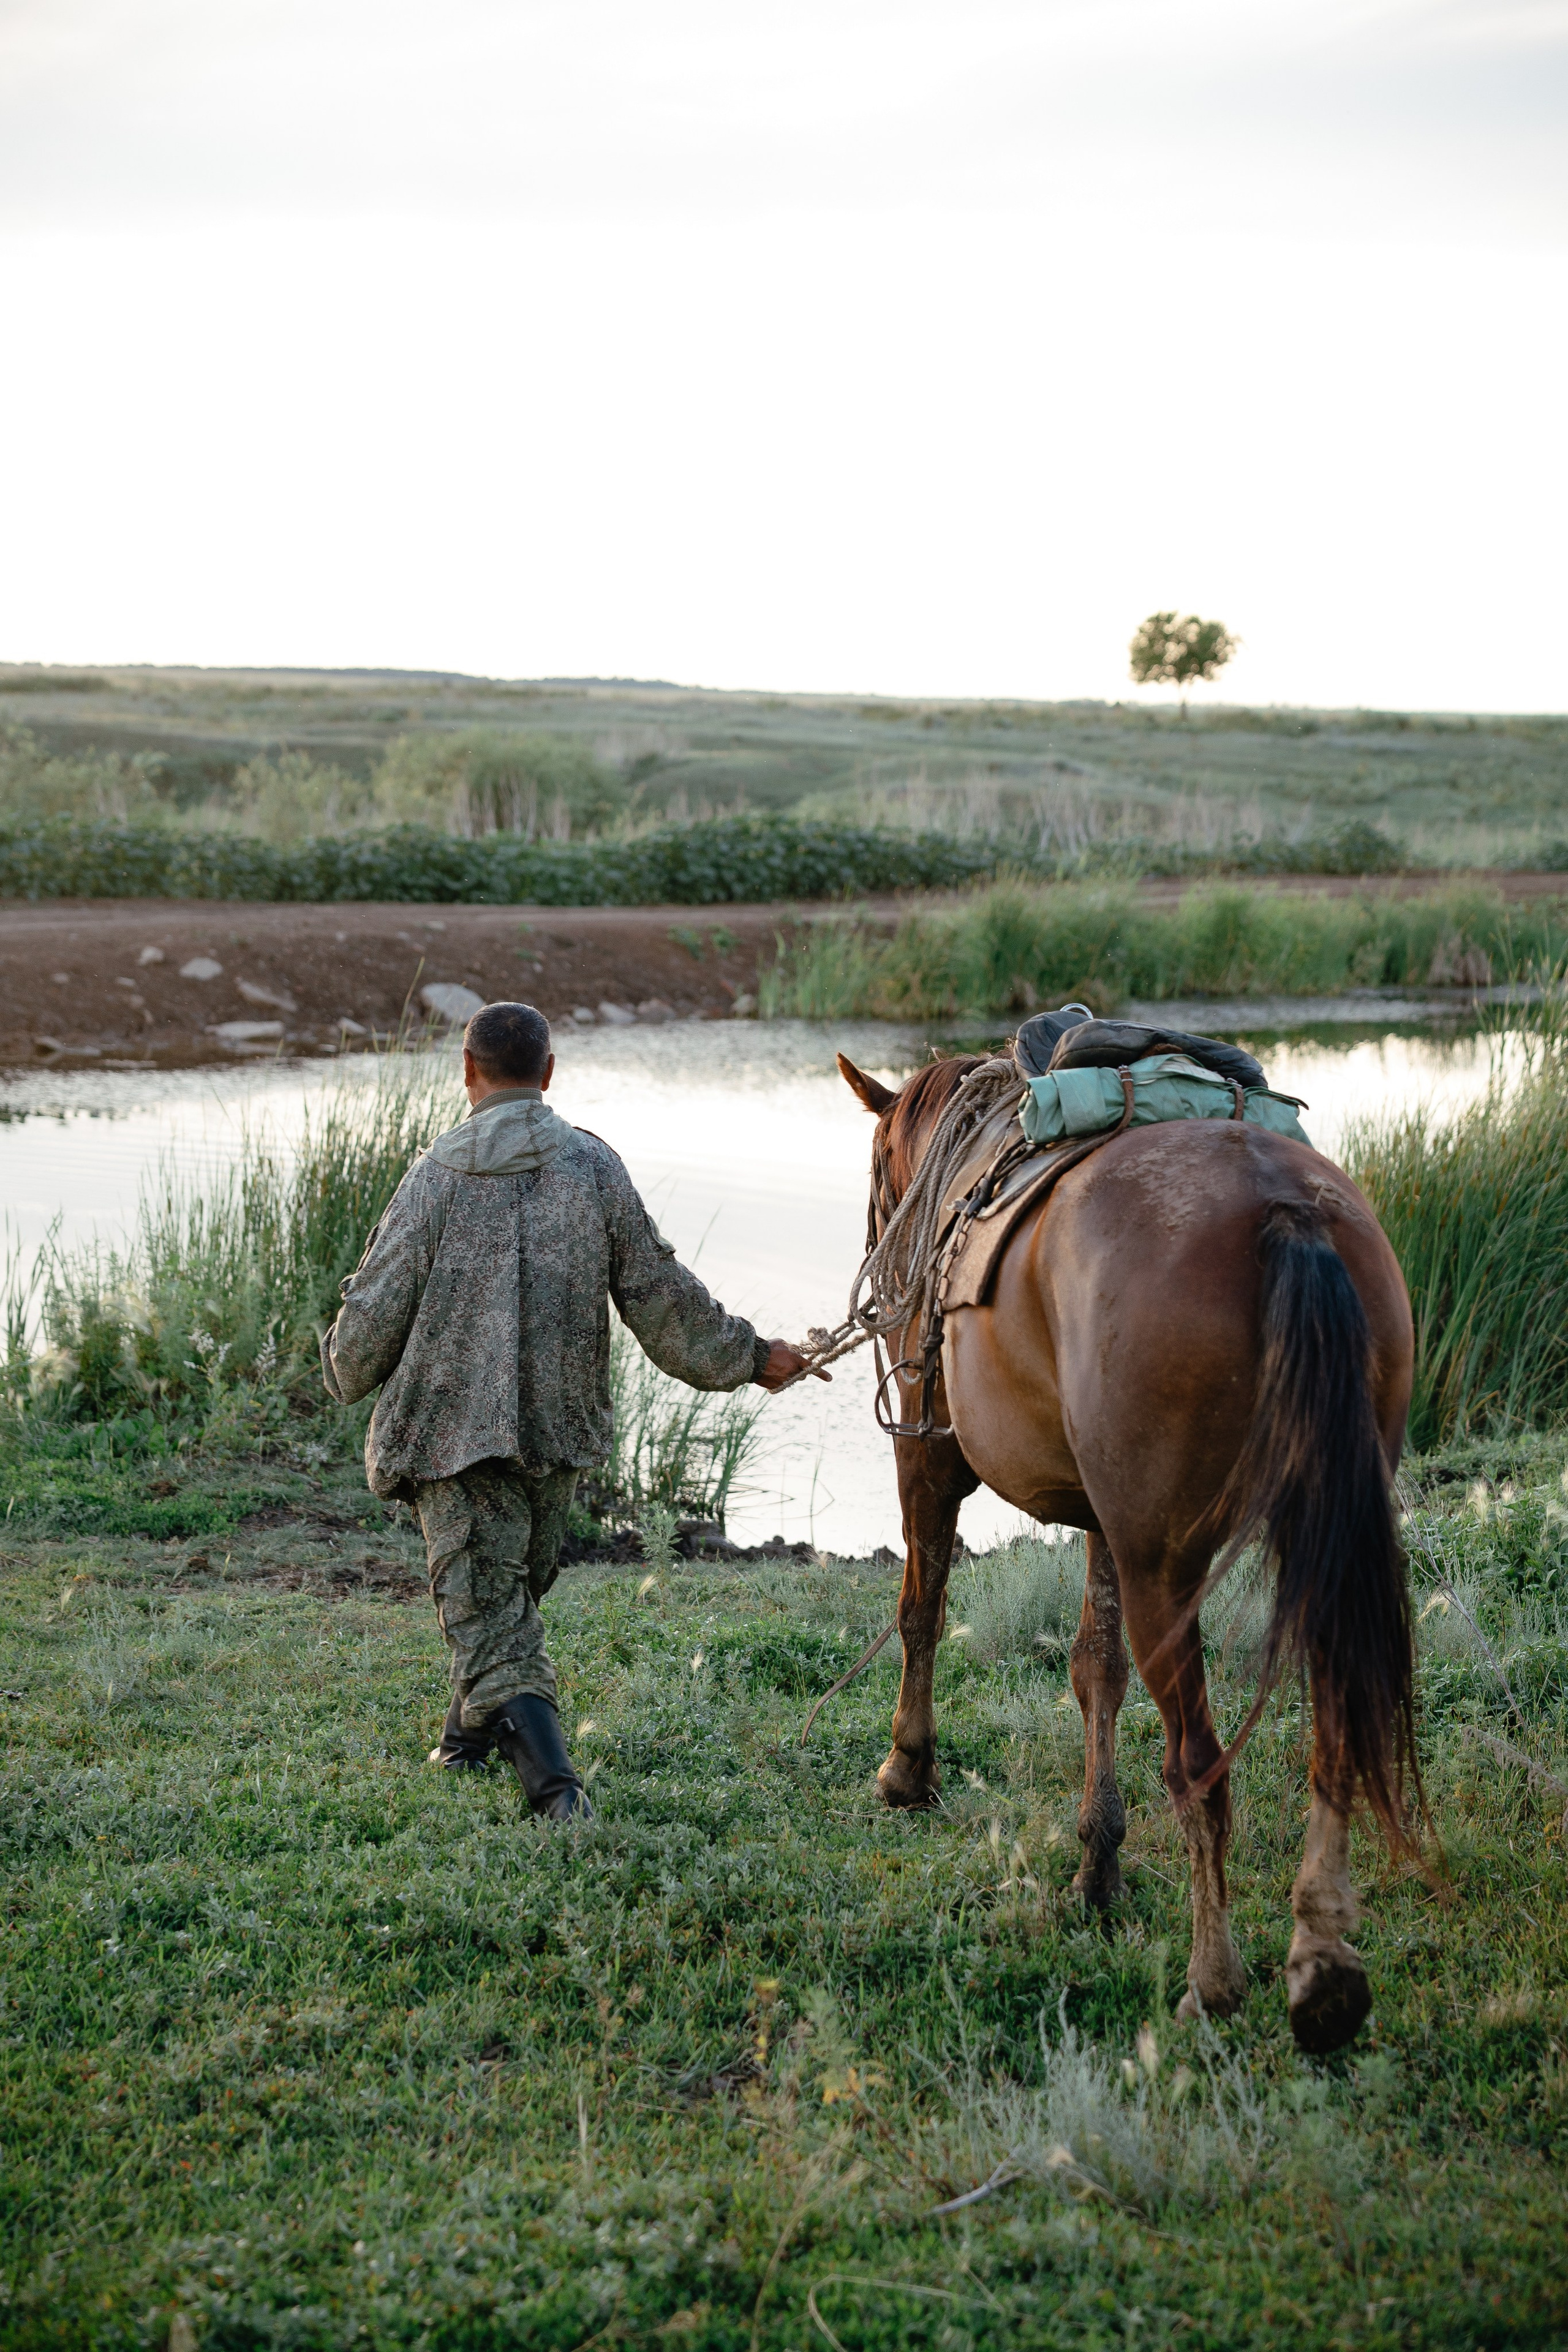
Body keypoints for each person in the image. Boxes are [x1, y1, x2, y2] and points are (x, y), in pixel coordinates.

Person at [320, 1001, 820, 1821]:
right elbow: (661, 1295)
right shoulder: (594, 1167)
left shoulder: (433, 1175)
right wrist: (751, 1357)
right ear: (549, 1074)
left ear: (468, 1074)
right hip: (558, 1432)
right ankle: (469, 1741)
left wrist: (342, 1371)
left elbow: (374, 1306)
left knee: (496, 1598)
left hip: (453, 1432)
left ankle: (559, 1802)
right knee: (496, 1595)